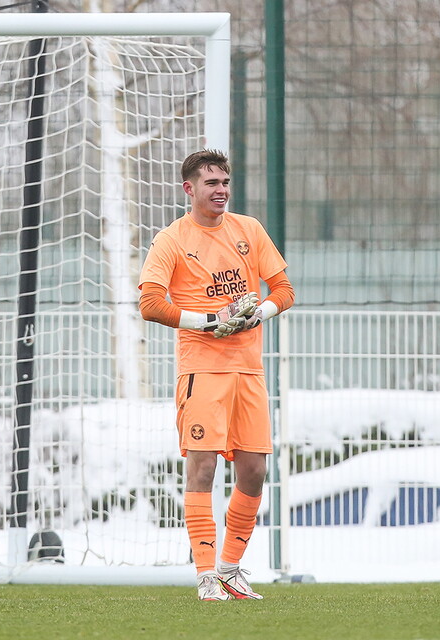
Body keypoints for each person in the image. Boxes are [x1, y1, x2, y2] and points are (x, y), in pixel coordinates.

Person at [138, 149, 295, 601]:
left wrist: (256, 313)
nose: (221, 189)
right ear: (189, 189)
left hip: (248, 368)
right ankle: (206, 575)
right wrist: (206, 320)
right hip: (202, 367)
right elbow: (150, 303)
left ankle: (230, 568)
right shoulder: (171, 239)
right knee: (203, 466)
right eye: (210, 183)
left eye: (225, 181)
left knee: (254, 470)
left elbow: (284, 290)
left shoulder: (249, 229)